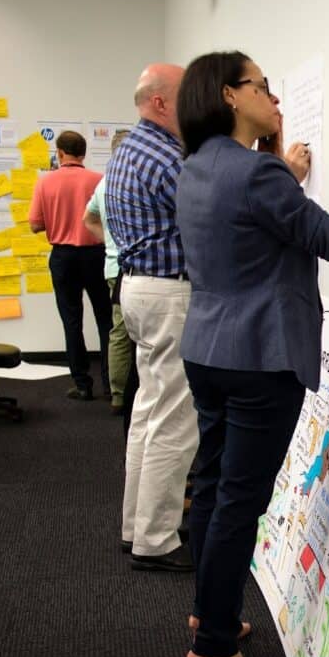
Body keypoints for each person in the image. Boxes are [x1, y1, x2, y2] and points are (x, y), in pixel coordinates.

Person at [175, 50, 329, 657]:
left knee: (214, 484)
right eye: (263, 87)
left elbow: (249, 231)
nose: (275, 98)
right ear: (229, 95)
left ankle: (210, 614)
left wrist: (277, 162)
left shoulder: (195, 169)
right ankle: (216, 648)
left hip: (208, 350)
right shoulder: (258, 176)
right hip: (260, 360)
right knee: (239, 502)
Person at [104, 63, 197, 573]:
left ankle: (134, 526)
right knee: (174, 422)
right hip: (170, 296)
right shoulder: (168, 156)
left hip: (139, 289)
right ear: (160, 103)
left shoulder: (128, 151)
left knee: (147, 412)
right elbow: (212, 215)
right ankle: (157, 540)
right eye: (188, 95)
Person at [28, 131, 111, 400]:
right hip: (96, 255)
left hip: (63, 257)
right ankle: (112, 384)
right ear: (83, 153)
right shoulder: (99, 180)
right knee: (106, 319)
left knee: (71, 320)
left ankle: (82, 383)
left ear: (60, 153)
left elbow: (35, 225)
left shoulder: (45, 182)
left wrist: (58, 219)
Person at [82, 129, 135, 415]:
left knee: (120, 332)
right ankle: (122, 394)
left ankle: (118, 394)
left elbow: (87, 219)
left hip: (113, 266)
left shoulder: (104, 184)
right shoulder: (128, 182)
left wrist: (109, 241)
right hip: (126, 268)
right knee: (128, 332)